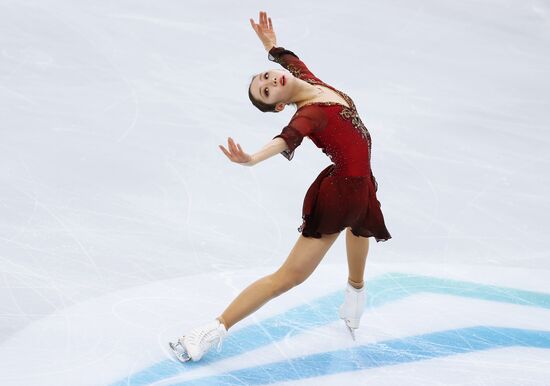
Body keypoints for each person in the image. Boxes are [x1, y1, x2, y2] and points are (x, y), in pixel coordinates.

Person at [168, 10, 392, 363]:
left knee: (361, 225)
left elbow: (290, 61)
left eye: (264, 79)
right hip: (340, 194)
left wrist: (272, 47)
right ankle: (210, 330)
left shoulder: (310, 81)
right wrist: (253, 158)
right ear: (281, 105)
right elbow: (286, 140)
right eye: (267, 91)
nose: (270, 81)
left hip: (361, 184)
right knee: (289, 277)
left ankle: (355, 294)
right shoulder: (308, 113)